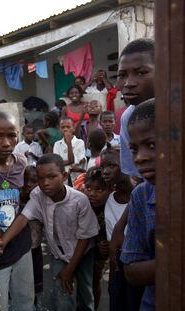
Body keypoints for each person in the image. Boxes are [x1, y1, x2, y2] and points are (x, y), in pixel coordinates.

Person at [0, 154, 99, 311]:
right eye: (41, 178)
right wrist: (4, 241)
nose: (45, 183)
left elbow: (85, 238)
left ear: (64, 176)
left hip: (82, 253)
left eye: (51, 177)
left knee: (85, 292)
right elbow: (23, 218)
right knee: (62, 294)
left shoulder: (79, 201)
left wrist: (69, 269)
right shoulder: (37, 195)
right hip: (58, 254)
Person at [0, 111, 34, 311]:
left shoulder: (21, 163)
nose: (6, 143)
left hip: (21, 246)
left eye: (11, 135)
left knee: (25, 301)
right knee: (0, 305)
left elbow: (26, 201)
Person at [120, 99, 156, 310]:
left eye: (152, 146)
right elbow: (131, 270)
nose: (140, 158)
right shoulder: (141, 196)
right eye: (134, 149)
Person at [100, 145, 144, 311]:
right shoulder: (110, 198)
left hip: (138, 262)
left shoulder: (140, 195)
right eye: (103, 167)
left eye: (112, 166)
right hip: (117, 265)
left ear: (127, 165)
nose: (105, 171)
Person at [117, 38, 155, 178]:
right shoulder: (129, 118)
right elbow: (137, 176)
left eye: (140, 73)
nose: (128, 83)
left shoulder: (177, 110)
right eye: (122, 75)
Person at [83, 167, 112, 311]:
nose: (92, 194)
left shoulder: (110, 208)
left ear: (109, 190)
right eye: (88, 188)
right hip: (81, 249)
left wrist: (105, 245)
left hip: (99, 255)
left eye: (99, 190)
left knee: (94, 282)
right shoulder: (81, 204)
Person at [21, 166, 44, 308]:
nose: (29, 184)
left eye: (33, 181)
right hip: (22, 250)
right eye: (26, 180)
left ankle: (35, 304)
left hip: (35, 248)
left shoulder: (41, 199)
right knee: (24, 282)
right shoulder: (18, 198)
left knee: (36, 280)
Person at [53, 116, 86, 184]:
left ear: (73, 128)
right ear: (60, 129)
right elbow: (57, 162)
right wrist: (71, 162)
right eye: (63, 127)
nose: (65, 129)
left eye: (68, 127)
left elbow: (81, 160)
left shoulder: (79, 142)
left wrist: (69, 144)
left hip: (77, 178)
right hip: (63, 179)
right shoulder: (57, 144)